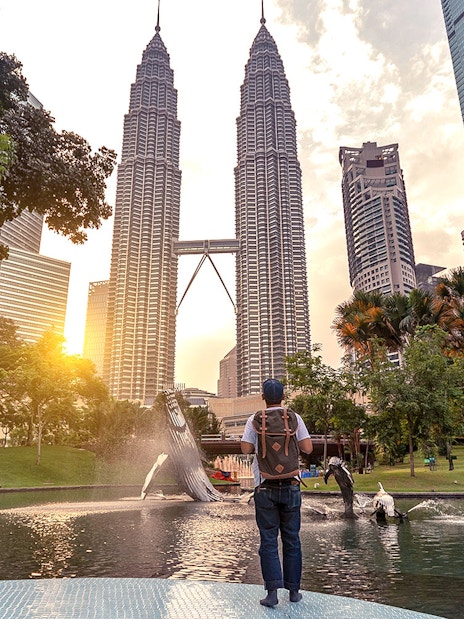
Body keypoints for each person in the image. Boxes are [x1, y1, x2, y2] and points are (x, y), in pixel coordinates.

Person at [241, 378, 313, 608]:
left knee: (269, 540)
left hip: (265, 487)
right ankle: (293, 592)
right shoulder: (294, 418)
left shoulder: (255, 419)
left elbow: (245, 449)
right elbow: (308, 448)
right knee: (292, 539)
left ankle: (272, 594)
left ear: (263, 397)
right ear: (283, 397)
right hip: (291, 485)